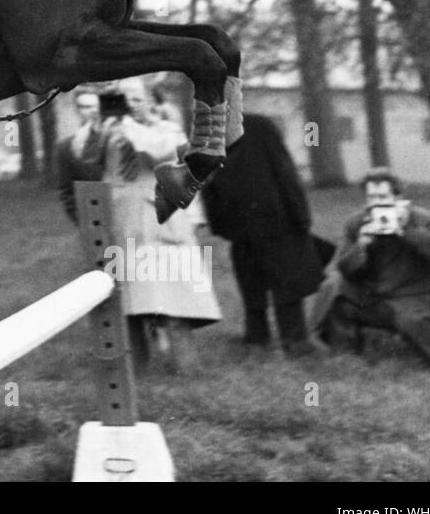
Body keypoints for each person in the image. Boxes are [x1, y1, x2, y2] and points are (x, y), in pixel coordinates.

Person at [78, 77, 221, 370]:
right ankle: (136, 369)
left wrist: (127, 123)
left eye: (137, 99)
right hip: (122, 223)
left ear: (152, 102)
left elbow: (156, 151)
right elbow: (84, 154)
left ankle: (187, 368)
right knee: (128, 302)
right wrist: (97, 124)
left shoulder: (168, 129)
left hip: (163, 222)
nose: (130, 105)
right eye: (124, 98)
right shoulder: (108, 129)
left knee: (175, 300)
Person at [200, 114, 330, 356]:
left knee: (252, 282)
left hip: (240, 223)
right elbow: (285, 173)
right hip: (276, 220)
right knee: (287, 281)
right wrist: (301, 216)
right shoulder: (260, 125)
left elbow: (208, 183)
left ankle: (257, 339)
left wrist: (219, 224)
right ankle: (295, 339)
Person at [315, 167, 430, 365]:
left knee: (413, 321)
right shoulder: (357, 222)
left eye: (383, 196)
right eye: (372, 197)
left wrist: (408, 231)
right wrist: (361, 246)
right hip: (372, 297)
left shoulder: (421, 219)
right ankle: (344, 353)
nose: (378, 202)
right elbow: (344, 269)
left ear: (398, 197)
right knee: (334, 288)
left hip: (413, 296)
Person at [55, 88, 104, 223]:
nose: (94, 111)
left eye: (97, 105)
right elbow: (67, 192)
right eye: (86, 107)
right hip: (96, 223)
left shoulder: (126, 139)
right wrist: (84, 222)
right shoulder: (67, 148)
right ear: (78, 111)